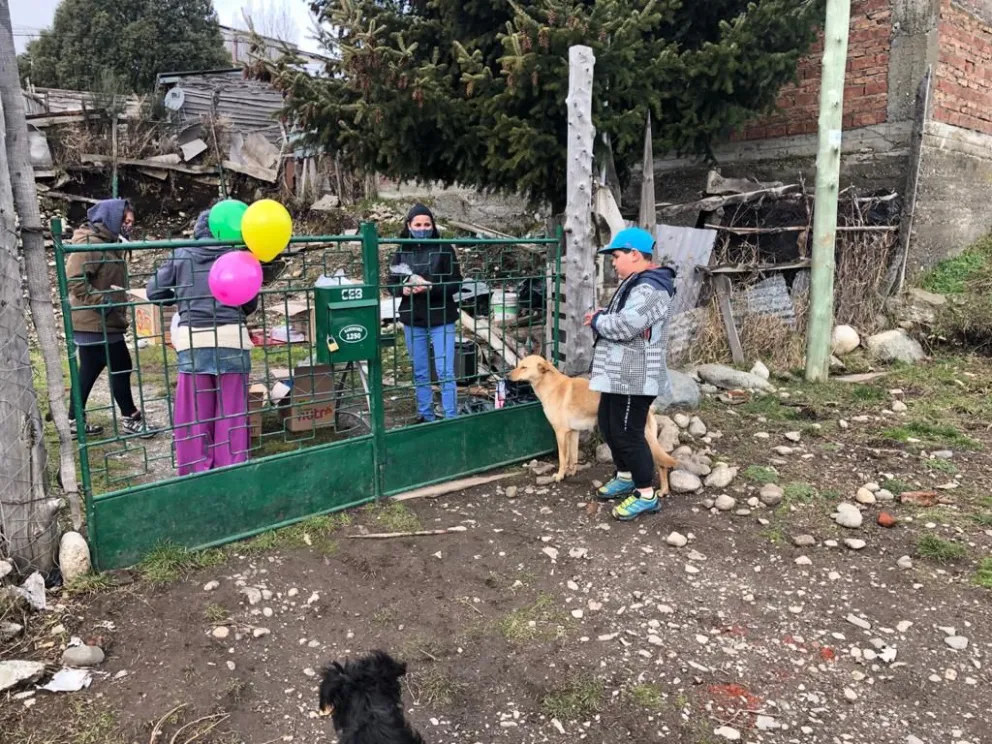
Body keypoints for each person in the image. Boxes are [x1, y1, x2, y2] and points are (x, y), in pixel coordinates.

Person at [146, 210, 258, 475]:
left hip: (194, 339)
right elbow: (250, 302)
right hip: (232, 338)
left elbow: (153, 291)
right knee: (232, 412)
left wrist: (181, 298)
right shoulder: (238, 256)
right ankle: (232, 469)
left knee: (194, 413)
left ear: (197, 230)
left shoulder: (182, 254)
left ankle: (195, 470)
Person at [584, 227, 677, 522]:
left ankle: (646, 494)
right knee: (608, 424)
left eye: (616, 255)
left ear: (635, 254)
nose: (613, 262)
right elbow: (626, 319)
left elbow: (627, 325)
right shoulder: (636, 283)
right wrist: (604, 317)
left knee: (628, 433)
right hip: (619, 373)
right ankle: (625, 476)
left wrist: (599, 320)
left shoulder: (651, 288)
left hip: (635, 376)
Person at [66, 198, 154, 439]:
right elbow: (75, 280)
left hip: (103, 320)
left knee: (90, 370)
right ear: (112, 219)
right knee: (121, 366)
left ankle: (73, 420)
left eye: (131, 222)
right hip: (96, 320)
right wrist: (103, 302)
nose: (129, 225)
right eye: (126, 221)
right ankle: (130, 417)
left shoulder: (110, 243)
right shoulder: (90, 244)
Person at [388, 203, 463, 422]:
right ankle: (426, 415)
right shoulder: (402, 251)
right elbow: (391, 283)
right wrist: (402, 289)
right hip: (413, 317)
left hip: (442, 316)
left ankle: (450, 417)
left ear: (433, 226)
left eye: (427, 224)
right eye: (418, 225)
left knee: (445, 370)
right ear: (409, 225)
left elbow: (456, 283)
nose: (422, 228)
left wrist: (432, 287)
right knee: (420, 370)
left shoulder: (444, 249)